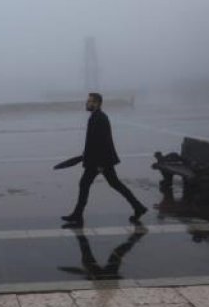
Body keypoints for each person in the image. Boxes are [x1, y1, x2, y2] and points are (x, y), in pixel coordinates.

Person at [61, 92, 147, 227]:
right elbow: (93, 140)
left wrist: (100, 163)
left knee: (85, 184)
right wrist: (86, 154)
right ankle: (138, 207)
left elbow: (103, 142)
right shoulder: (96, 117)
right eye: (87, 101)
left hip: (100, 161)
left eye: (90, 101)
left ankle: (78, 214)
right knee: (115, 184)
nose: (87, 103)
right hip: (98, 159)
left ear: (97, 103)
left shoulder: (100, 118)